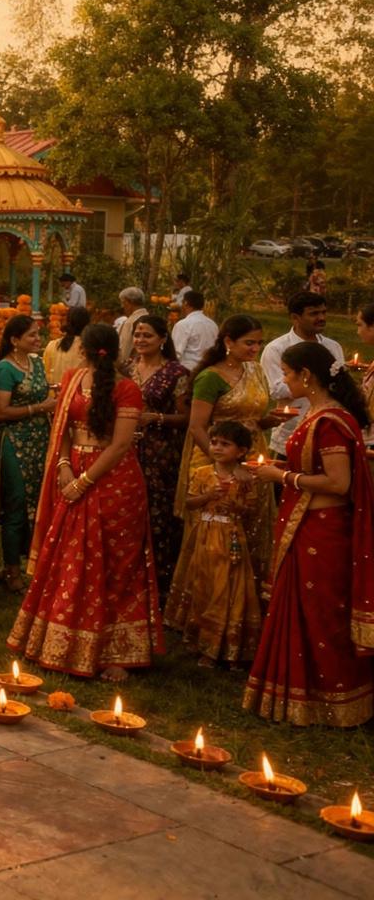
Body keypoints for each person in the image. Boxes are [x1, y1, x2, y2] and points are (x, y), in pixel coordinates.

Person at [7, 323, 165, 680]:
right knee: (68, 557)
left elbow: (121, 445)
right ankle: (58, 639)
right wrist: (64, 467)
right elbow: (62, 429)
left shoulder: (126, 390)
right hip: (74, 473)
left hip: (115, 485)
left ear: (84, 349)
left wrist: (83, 482)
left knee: (114, 564)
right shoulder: (74, 380)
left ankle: (114, 653)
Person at [244, 342, 374, 727]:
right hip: (307, 526)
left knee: (320, 616)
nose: (284, 380)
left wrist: (281, 476)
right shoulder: (317, 412)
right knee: (303, 610)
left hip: (323, 531)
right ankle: (296, 696)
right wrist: (282, 466)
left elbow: (338, 482)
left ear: (306, 376)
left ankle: (331, 702)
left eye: (287, 373)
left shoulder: (330, 420)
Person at [176, 313, 283, 580]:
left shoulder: (255, 370)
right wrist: (224, 466)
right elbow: (197, 426)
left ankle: (249, 595)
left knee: (252, 522)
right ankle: (209, 600)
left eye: (259, 343)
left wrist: (269, 420)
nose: (256, 349)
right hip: (215, 455)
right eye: (249, 343)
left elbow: (252, 419)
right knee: (216, 531)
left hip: (251, 454)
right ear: (228, 342)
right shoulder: (210, 378)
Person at [163, 420, 264, 667]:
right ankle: (197, 639)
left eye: (225, 444)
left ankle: (221, 646)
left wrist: (236, 507)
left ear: (241, 452)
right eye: (215, 442)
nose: (217, 447)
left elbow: (252, 510)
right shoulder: (202, 473)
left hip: (231, 537)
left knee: (225, 587)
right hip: (204, 536)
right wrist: (208, 497)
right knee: (202, 584)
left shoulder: (245, 478)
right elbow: (189, 502)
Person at [0, 314, 55, 593]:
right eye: (31, 336)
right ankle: (11, 570)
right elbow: (0, 412)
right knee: (16, 505)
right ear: (15, 340)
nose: (38, 340)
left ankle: (33, 565)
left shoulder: (37, 362)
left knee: (37, 504)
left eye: (38, 335)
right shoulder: (5, 369)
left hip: (39, 442)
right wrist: (40, 409)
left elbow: (45, 395)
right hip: (14, 442)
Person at [129, 314, 190, 593]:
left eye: (147, 336)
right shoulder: (127, 368)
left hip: (161, 453)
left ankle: (160, 581)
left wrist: (156, 418)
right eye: (137, 335)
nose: (140, 340)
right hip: (125, 448)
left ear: (163, 339)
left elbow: (186, 417)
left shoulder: (176, 373)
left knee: (159, 513)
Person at [262, 290, 345, 458]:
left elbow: (341, 384)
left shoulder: (333, 347)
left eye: (323, 312)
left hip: (328, 429)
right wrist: (314, 381)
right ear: (295, 317)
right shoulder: (276, 349)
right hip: (291, 431)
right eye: (314, 314)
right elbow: (276, 390)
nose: (321, 318)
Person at [170, 289, 217, 370]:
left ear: (186, 303)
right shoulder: (213, 325)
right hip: (209, 370)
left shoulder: (183, 324)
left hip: (188, 371)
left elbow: (175, 353)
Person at [43, 306, 90, 386]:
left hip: (55, 394)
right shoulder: (89, 348)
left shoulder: (53, 345)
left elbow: (45, 373)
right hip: (78, 396)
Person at [116, 287, 147, 364]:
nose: (122, 306)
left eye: (123, 302)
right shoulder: (150, 318)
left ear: (129, 302)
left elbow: (124, 351)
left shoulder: (130, 322)